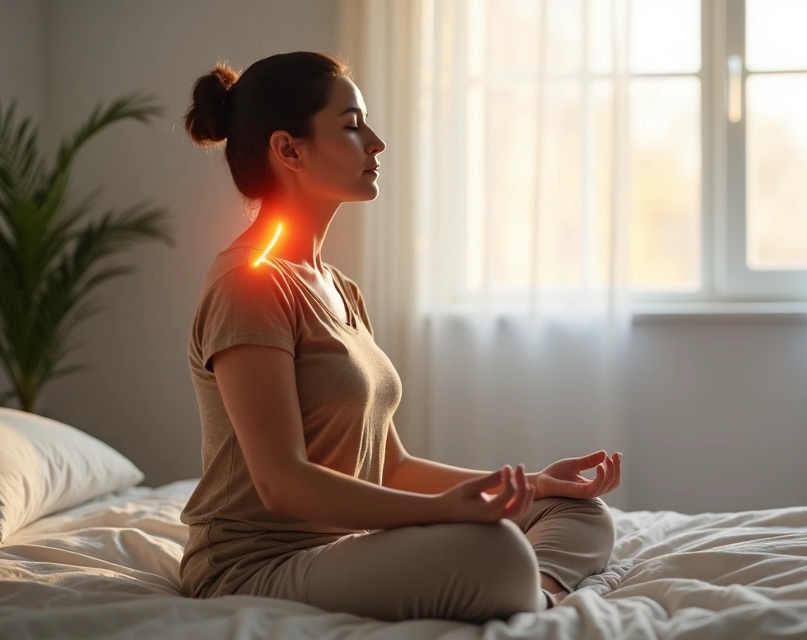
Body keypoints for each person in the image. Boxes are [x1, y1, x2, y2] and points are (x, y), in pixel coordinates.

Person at [177, 51, 623, 624]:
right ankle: (522, 586)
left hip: (343, 546)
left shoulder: (340, 288)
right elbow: (280, 483)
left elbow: (390, 465)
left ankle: (535, 594)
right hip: (256, 563)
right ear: (289, 149)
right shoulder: (250, 285)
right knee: (495, 549)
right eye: (352, 125)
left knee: (579, 511)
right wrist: (439, 512)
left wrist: (534, 484)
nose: (377, 142)